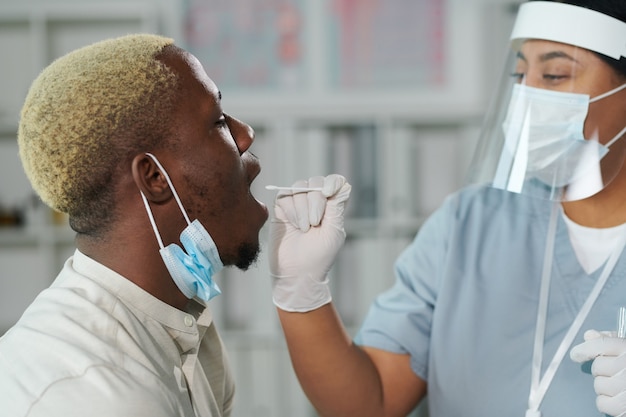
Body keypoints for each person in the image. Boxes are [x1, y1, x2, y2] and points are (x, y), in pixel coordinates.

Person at [267, 1, 626, 416]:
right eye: (520, 76)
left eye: (555, 75)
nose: (527, 98)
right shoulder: (470, 225)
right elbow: (371, 403)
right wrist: (302, 292)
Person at [0, 34, 269, 417]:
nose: (245, 136)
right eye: (218, 122)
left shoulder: (186, 327)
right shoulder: (93, 396)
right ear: (155, 177)